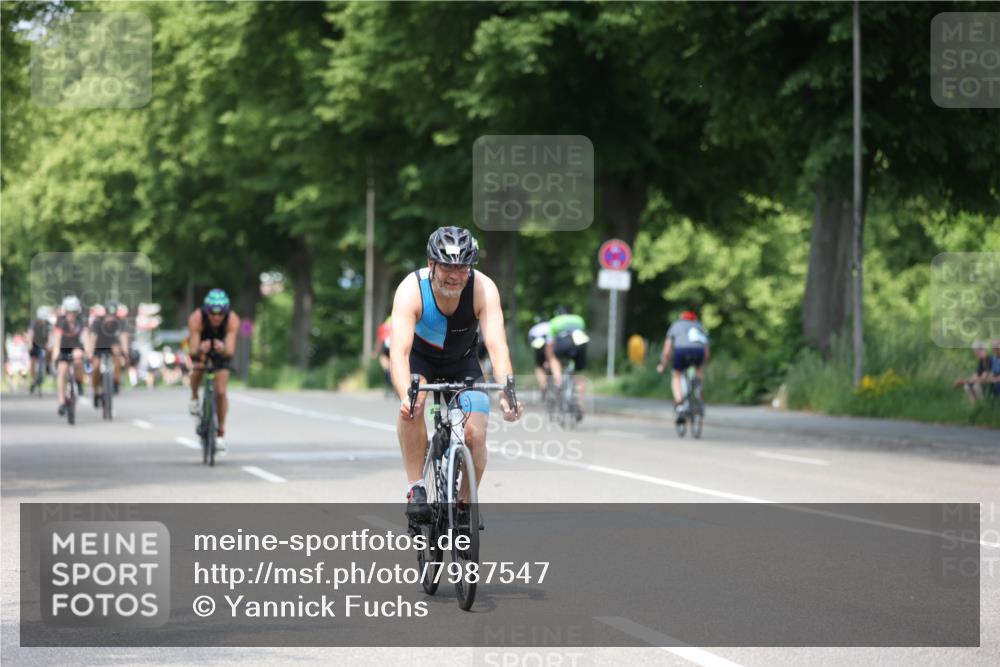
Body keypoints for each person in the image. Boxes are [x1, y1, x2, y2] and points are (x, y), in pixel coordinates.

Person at [391, 226, 522, 522]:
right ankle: (416, 489)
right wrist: (405, 395)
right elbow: (398, 353)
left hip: (462, 364)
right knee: (414, 407)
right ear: (431, 264)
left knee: (475, 434)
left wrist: (507, 393)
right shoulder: (411, 289)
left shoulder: (483, 288)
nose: (455, 275)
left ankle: (463, 505)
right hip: (420, 362)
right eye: (447, 266)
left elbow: (497, 345)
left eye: (462, 267)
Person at [187, 289, 240, 453]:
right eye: (212, 313)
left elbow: (230, 351)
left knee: (221, 392)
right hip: (202, 348)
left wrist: (222, 349)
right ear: (206, 310)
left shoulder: (232, 319)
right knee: (198, 368)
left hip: (221, 352)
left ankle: (220, 433)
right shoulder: (197, 318)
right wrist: (200, 350)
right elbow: (192, 350)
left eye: (221, 313)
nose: (216, 317)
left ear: (226, 311)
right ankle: (194, 397)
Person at [656, 309, 710, 421]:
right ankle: (699, 392)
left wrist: (662, 365)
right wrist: (703, 363)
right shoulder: (699, 326)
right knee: (699, 370)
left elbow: (667, 351)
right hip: (698, 351)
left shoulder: (676, 325)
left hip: (681, 351)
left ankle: (680, 404)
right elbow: (706, 350)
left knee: (676, 375)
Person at [545, 307, 589, 420]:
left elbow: (549, 344)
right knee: (579, 373)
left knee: (554, 358)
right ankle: (579, 401)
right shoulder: (578, 319)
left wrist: (548, 360)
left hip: (564, 342)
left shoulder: (555, 321)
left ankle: (558, 381)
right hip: (580, 344)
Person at [50, 295, 89, 416]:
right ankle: (61, 402)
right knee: (62, 370)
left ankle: (78, 381)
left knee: (77, 360)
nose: (70, 314)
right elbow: (57, 339)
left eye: (73, 312)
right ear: (65, 312)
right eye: (68, 312)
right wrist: (55, 353)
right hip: (63, 347)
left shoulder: (82, 320)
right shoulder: (60, 321)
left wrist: (87, 351)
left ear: (77, 312)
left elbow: (86, 336)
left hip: (77, 346)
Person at [89, 300, 130, 408]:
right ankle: (96, 392)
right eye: (108, 314)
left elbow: (123, 338)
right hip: (99, 345)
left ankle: (116, 381)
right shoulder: (97, 322)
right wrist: (90, 353)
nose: (111, 317)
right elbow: (93, 338)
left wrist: (125, 353)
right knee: (96, 367)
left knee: (117, 354)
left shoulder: (121, 322)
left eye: (113, 314)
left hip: (113, 345)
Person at [28, 306, 52, 393]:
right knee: (33, 361)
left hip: (44, 344)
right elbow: (30, 333)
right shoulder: (34, 323)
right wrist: (30, 344)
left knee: (50, 351)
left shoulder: (48, 324)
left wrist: (49, 344)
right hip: (35, 344)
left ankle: (48, 365)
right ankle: (33, 379)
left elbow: (50, 335)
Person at [528, 317, 551, 398]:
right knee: (553, 362)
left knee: (539, 367)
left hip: (539, 345)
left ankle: (543, 385)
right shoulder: (551, 325)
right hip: (550, 344)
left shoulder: (534, 328)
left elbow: (531, 342)